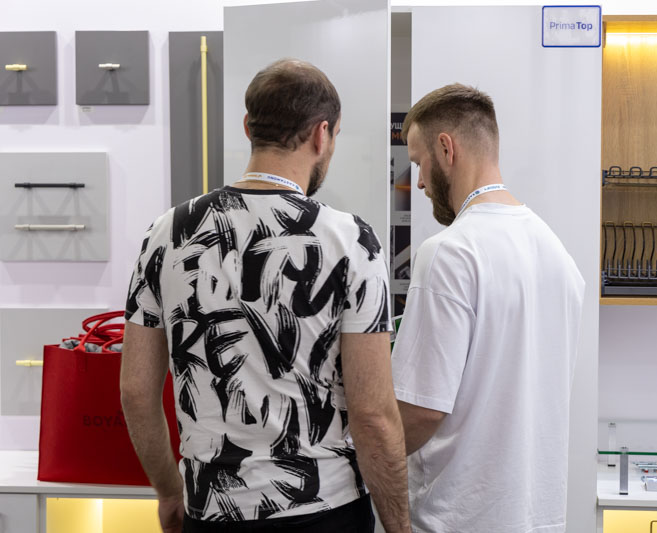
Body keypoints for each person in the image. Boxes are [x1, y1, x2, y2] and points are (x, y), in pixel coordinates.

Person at [121, 59, 410, 533]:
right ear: (322, 135)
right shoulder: (351, 241)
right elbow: (373, 413)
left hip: (211, 510)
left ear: (247, 127)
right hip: (323, 510)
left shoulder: (167, 233)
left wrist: (170, 491)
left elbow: (136, 390)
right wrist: (399, 526)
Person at [391, 84, 586, 533]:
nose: (418, 183)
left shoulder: (450, 252)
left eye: (418, 163)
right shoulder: (556, 253)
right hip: (537, 518)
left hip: (459, 520)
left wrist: (352, 455)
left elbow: (422, 410)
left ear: (446, 149)